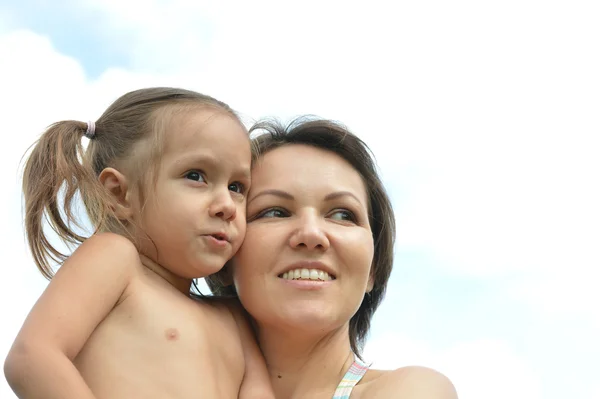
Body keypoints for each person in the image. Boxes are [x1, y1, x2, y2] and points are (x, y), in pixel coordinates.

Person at [4, 87, 274, 399]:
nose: (227, 204)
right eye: (196, 176)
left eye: (237, 186)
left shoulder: (235, 320)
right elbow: (33, 357)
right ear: (118, 194)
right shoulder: (116, 259)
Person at [208, 118, 458, 398]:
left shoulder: (413, 390)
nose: (311, 234)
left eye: (342, 215)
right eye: (275, 212)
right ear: (224, 255)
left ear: (373, 268)